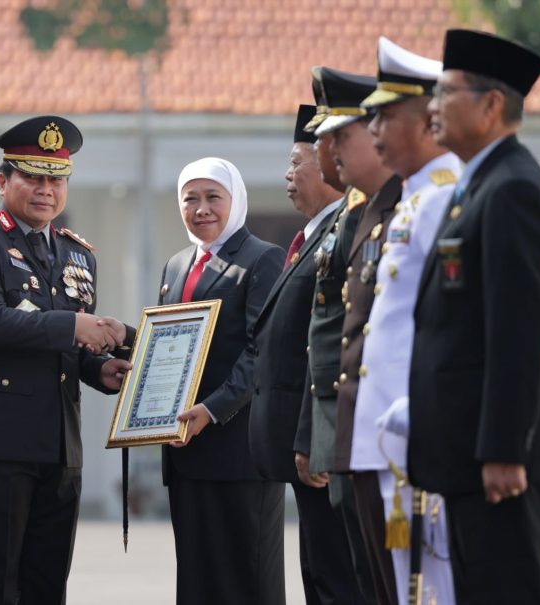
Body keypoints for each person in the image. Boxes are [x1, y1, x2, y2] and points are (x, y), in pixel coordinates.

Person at [0, 115, 133, 605]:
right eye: (32, 176)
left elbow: (67, 348)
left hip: (59, 447)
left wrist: (98, 369)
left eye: (56, 179)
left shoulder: (77, 253)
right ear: (4, 181)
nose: (46, 190)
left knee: (46, 587)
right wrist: (74, 327)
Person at [409, 29, 540, 605]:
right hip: (465, 456)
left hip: (496, 465)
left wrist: (504, 449)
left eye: (445, 93)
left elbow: (520, 332)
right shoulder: (477, 187)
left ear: (492, 104)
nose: (432, 107)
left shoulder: (512, 189)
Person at [347, 36, 459, 605]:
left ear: (424, 121)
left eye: (385, 118)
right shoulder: (415, 201)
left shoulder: (444, 198)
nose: (373, 134)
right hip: (384, 436)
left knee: (428, 588)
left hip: (414, 431)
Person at [248, 103, 363, 604]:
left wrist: (314, 437)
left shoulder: (348, 229)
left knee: (337, 577)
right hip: (304, 445)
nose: (288, 176)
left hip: (324, 442)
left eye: (299, 162)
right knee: (317, 574)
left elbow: (328, 346)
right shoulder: (315, 234)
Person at [158, 157, 285, 605]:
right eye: (190, 198)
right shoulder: (176, 265)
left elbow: (261, 351)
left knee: (245, 581)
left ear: (236, 201)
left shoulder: (262, 259)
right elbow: (169, 348)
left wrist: (212, 409)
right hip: (184, 450)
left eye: (214, 197)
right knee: (197, 582)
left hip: (238, 450)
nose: (201, 208)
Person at [306, 65, 402, 604]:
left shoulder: (406, 210)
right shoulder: (364, 215)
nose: (329, 149)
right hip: (352, 431)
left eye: (341, 134)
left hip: (390, 437)